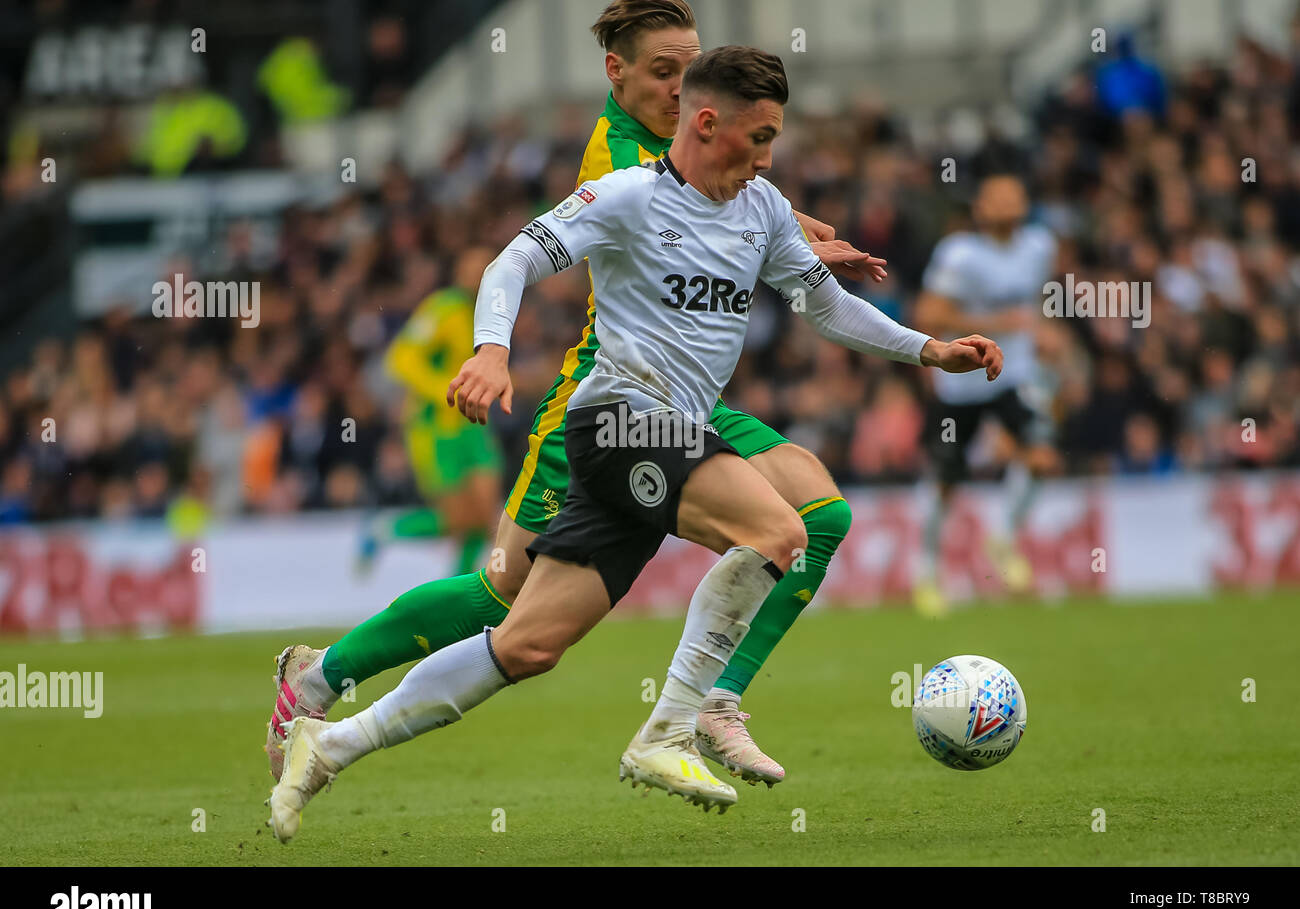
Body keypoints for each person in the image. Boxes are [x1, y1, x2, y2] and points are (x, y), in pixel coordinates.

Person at [268, 45, 1002, 841]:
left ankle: (329, 746)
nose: (766, 158)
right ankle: (675, 727)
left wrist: (930, 349)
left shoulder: (759, 208)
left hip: (671, 433)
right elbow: (514, 260)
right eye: (757, 139)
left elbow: (824, 305)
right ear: (708, 122)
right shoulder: (626, 197)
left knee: (527, 643)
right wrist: (490, 348)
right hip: (620, 418)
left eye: (773, 141)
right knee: (779, 531)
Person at [913, 174, 1059, 617]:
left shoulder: (1039, 246)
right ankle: (928, 575)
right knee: (945, 483)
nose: (1007, 203)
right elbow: (929, 314)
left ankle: (1003, 537)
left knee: (1041, 457)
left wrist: (1045, 334)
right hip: (960, 385)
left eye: (1014, 194)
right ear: (980, 207)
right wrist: (1001, 324)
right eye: (996, 196)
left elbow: (1032, 310)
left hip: (1014, 376)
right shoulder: (959, 254)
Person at [355, 247, 504, 578]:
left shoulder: (490, 311)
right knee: (460, 521)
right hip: (435, 427)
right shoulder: (444, 307)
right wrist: (443, 390)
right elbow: (401, 357)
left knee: (486, 517)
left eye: (487, 267)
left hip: (473, 424)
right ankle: (385, 530)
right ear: (459, 271)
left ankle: (461, 592)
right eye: (474, 266)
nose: (481, 274)